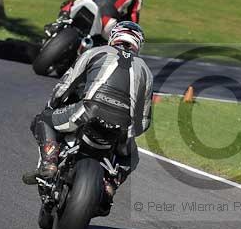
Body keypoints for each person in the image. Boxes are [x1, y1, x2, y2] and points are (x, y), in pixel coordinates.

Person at [22, 21, 153, 199]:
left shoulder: (95, 52)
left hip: (87, 111)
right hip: (122, 125)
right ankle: (110, 185)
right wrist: (128, 132)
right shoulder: (146, 71)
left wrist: (52, 105)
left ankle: (49, 163)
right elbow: (144, 120)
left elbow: (65, 85)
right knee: (133, 156)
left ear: (114, 37)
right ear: (138, 44)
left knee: (44, 119)